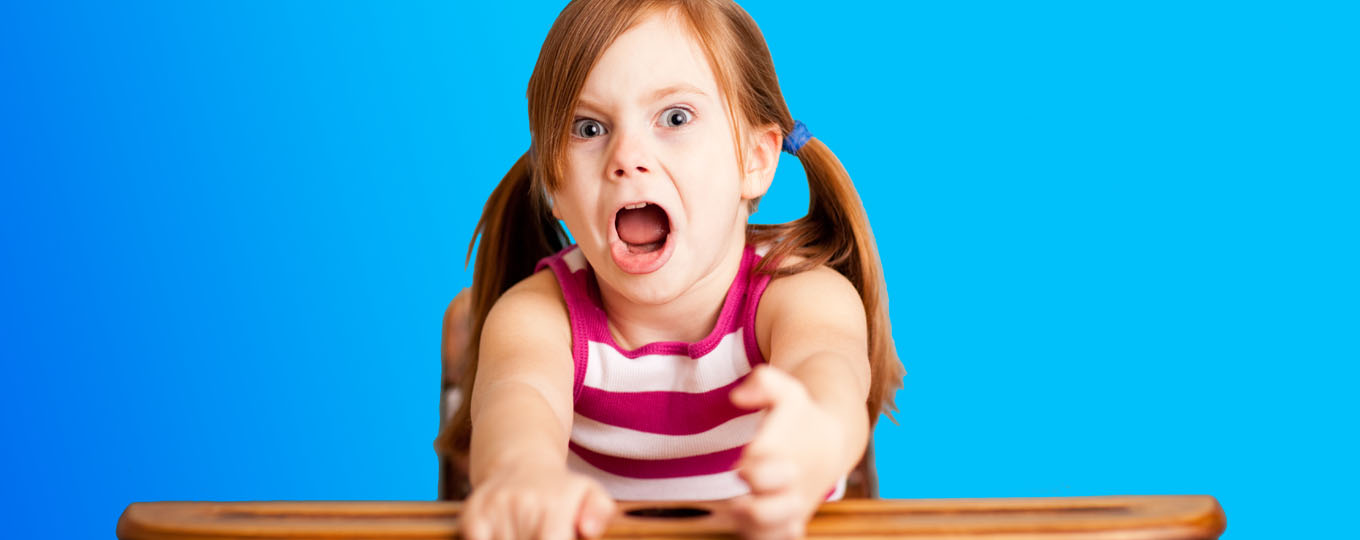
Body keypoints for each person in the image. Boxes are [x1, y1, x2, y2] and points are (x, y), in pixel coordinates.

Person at [434, 1, 906, 538]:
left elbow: (828, 371)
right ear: (554, 187)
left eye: (675, 118)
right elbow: (518, 400)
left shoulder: (801, 294)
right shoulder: (538, 317)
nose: (626, 156)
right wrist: (522, 473)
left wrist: (817, 438)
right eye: (589, 128)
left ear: (755, 158)